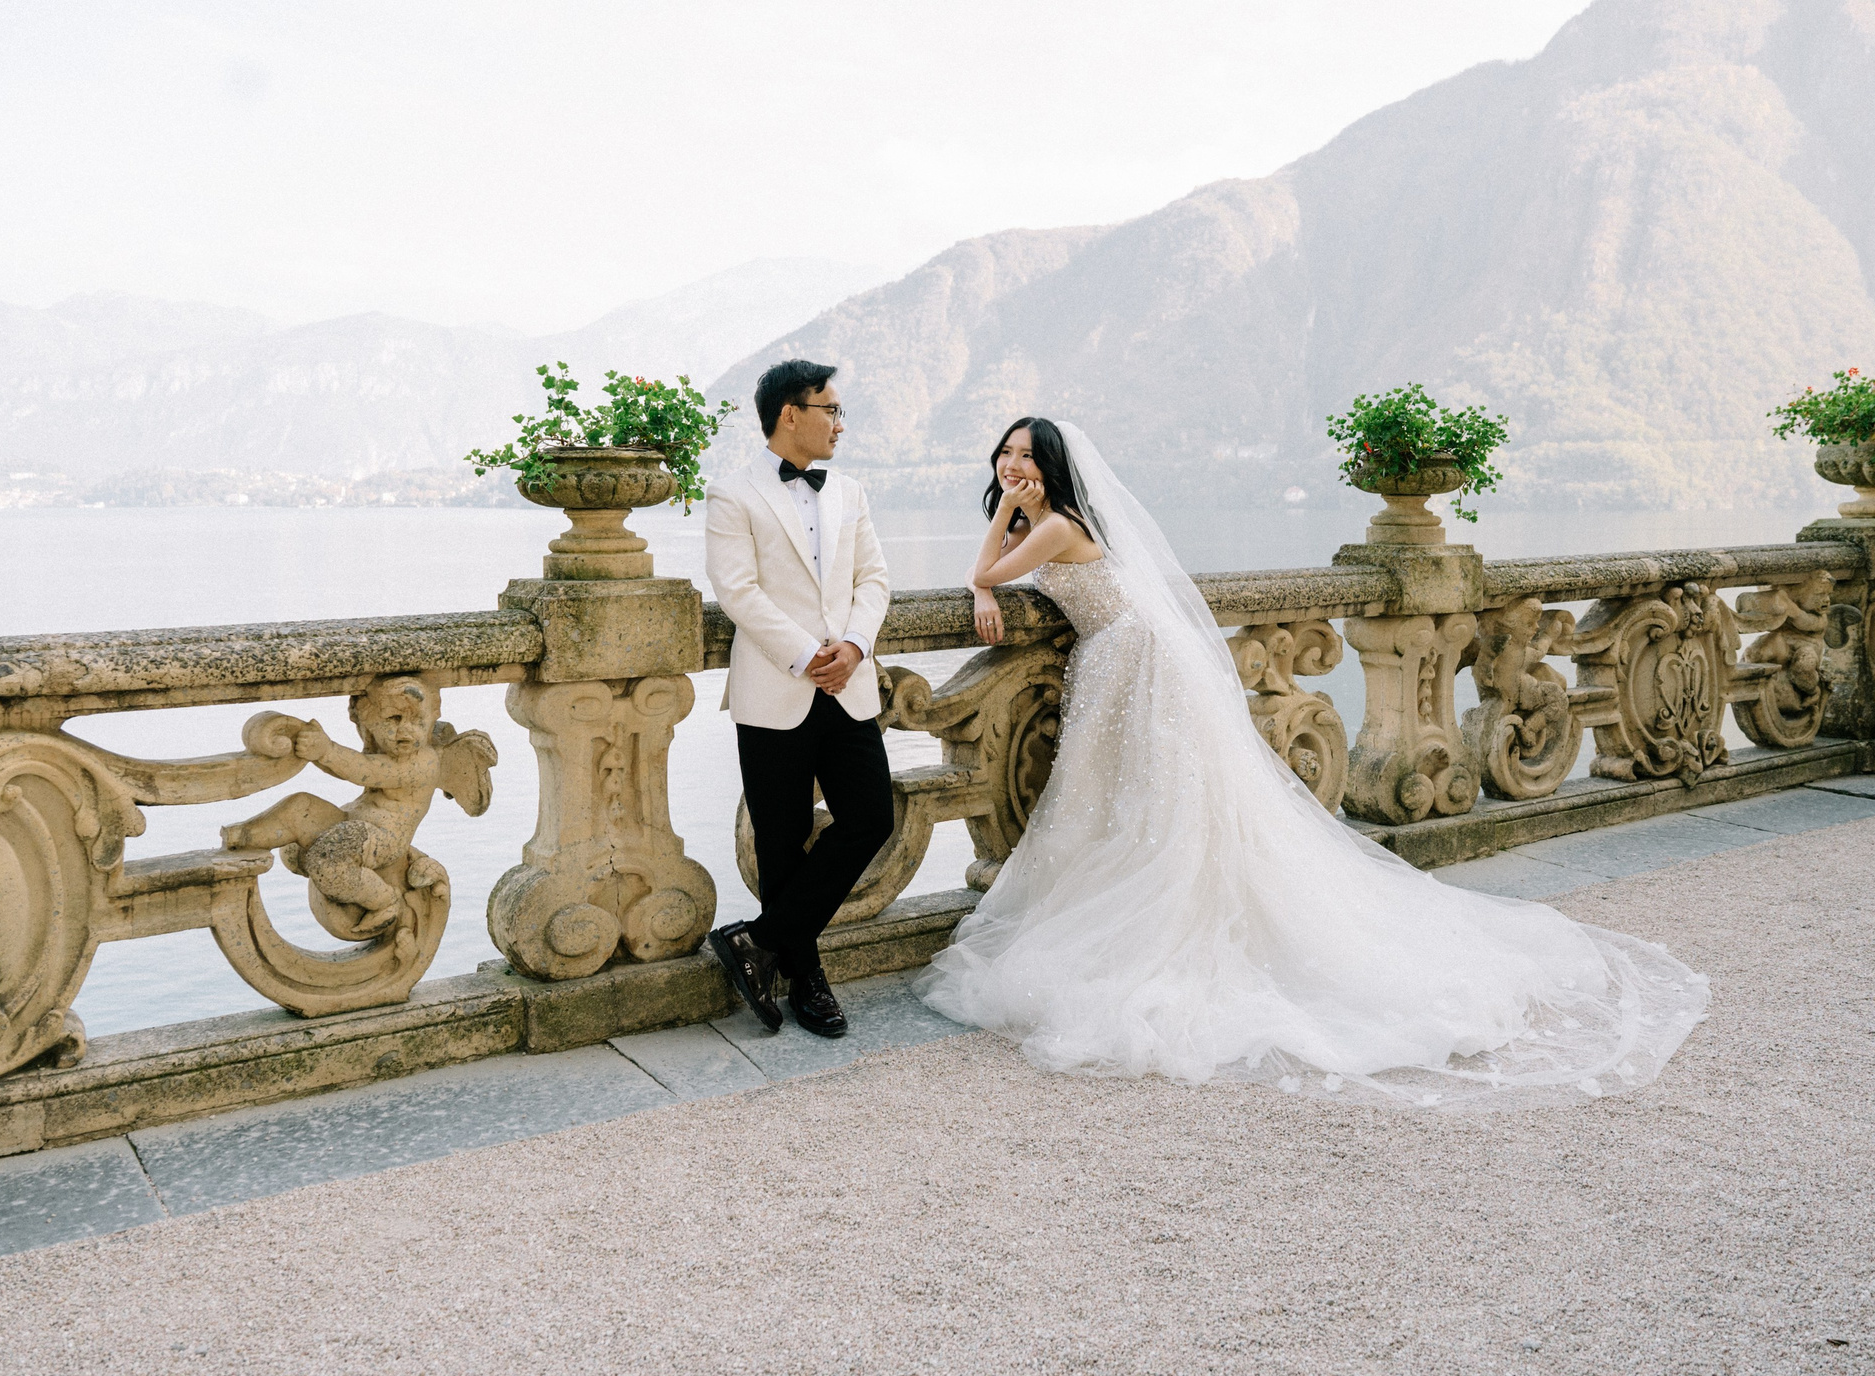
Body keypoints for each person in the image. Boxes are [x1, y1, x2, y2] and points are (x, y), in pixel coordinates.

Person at [920, 416, 1709, 1107]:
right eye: (1004, 456)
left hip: (1133, 660)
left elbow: (989, 570)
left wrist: (994, 553)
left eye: (1025, 457)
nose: (1012, 467)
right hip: (1117, 658)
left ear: (1052, 468)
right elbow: (993, 571)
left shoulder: (1053, 522)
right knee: (1116, 799)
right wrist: (995, 552)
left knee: (1145, 800)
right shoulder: (1047, 521)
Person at [703, 359, 895, 1038]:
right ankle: (804, 977)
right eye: (831, 409)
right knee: (781, 845)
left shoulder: (851, 491)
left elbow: (873, 578)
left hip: (848, 686)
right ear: (792, 413)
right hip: (773, 686)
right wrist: (805, 654)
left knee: (872, 815)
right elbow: (738, 590)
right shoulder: (734, 494)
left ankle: (757, 942)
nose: (840, 423)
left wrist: (853, 644)